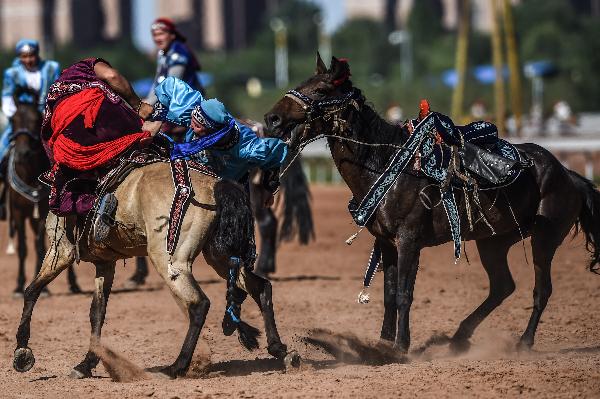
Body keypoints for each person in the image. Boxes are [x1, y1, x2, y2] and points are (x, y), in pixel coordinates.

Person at [41, 57, 158, 216]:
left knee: (62, 199)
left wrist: (60, 171)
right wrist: (138, 105)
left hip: (71, 145)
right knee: (153, 134)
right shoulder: (86, 65)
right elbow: (112, 76)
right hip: (106, 118)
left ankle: (95, 203)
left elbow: (48, 139)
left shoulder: (54, 93)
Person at [0, 39, 60, 170]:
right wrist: (14, 115)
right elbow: (7, 97)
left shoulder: (51, 68)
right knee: (2, 146)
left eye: (31, 55)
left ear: (37, 54)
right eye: (24, 57)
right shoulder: (12, 73)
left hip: (46, 114)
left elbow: (56, 91)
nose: (28, 60)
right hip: (23, 116)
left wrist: (48, 112)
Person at [145, 18, 204, 106]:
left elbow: (171, 84)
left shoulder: (178, 51)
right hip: (173, 103)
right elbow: (157, 82)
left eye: (161, 34)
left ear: (172, 35)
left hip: (187, 105)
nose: (157, 38)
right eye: (155, 35)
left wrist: (149, 103)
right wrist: (147, 101)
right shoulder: (164, 53)